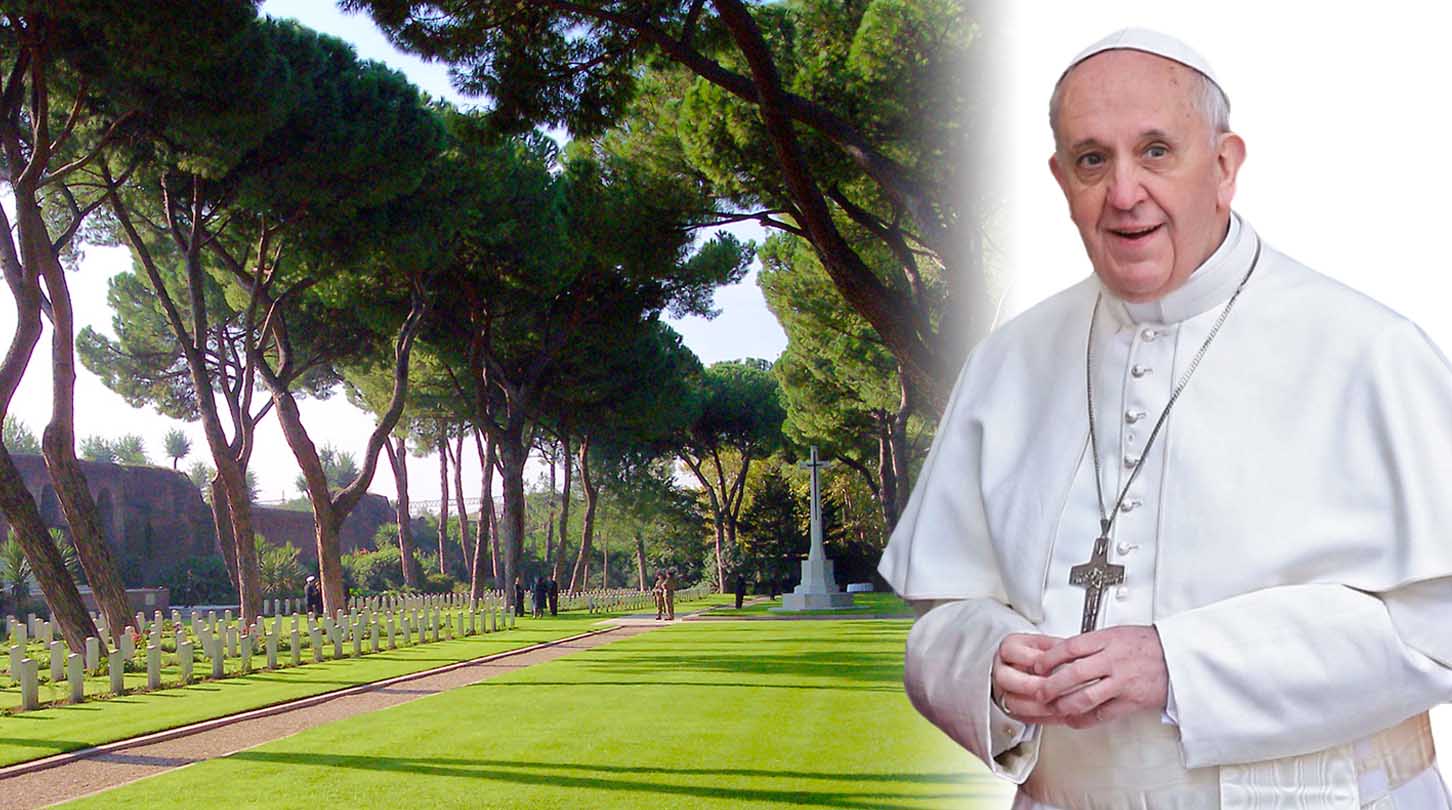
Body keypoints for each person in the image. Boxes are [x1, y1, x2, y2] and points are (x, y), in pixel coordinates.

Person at [879, 28, 1452, 808]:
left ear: (1224, 166)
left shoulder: (1368, 349)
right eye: (1092, 160)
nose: (1124, 194)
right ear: (1060, 179)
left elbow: (1439, 627)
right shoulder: (1006, 362)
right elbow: (940, 613)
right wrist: (988, 666)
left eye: (1156, 151)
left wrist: (1180, 663)